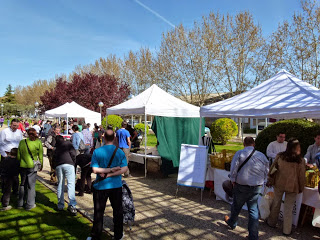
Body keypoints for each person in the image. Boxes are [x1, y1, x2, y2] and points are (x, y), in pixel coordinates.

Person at [224, 137, 269, 240]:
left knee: (236, 205)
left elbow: (234, 168)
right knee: (253, 210)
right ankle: (253, 236)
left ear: (244, 144)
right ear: (254, 144)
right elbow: (267, 170)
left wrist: (233, 180)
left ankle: (232, 222)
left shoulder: (240, 153)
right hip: (256, 186)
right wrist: (263, 180)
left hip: (241, 185)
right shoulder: (261, 155)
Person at [87, 129, 128, 240]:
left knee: (99, 212)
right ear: (114, 138)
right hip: (116, 186)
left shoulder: (97, 151)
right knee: (117, 211)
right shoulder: (119, 152)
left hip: (101, 187)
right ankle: (118, 235)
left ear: (103, 137)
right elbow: (124, 168)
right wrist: (111, 171)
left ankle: (96, 236)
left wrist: (107, 173)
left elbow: (95, 170)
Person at [266, 138, 305, 236]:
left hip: (279, 183)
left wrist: (270, 180)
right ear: (296, 148)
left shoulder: (280, 156)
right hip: (292, 186)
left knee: (276, 203)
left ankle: (271, 222)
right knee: (288, 208)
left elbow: (272, 169)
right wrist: (301, 187)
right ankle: (286, 230)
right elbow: (301, 176)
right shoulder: (300, 160)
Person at [17, 128, 43, 210]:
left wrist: (19, 162)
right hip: (32, 165)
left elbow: (18, 155)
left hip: (23, 165)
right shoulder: (38, 142)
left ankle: (20, 203)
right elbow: (41, 155)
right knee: (31, 185)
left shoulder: (22, 142)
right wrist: (41, 164)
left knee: (22, 184)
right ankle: (30, 204)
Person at [53, 135, 77, 215]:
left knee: (60, 184)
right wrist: (73, 162)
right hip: (69, 164)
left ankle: (60, 205)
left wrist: (55, 167)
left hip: (59, 165)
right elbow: (73, 154)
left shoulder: (56, 148)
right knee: (70, 184)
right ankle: (72, 205)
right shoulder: (68, 144)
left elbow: (54, 159)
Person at [0, 119, 23, 194]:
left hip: (16, 155)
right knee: (5, 174)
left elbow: (21, 143)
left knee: (16, 174)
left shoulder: (19, 132)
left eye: (17, 126)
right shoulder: (4, 131)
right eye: (14, 125)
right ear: (11, 124)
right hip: (7, 154)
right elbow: (1, 143)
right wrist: (4, 155)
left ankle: (15, 190)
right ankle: (4, 188)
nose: (15, 127)